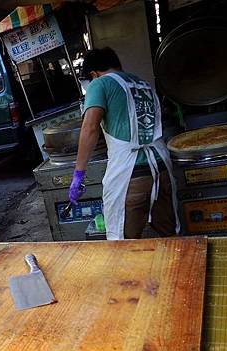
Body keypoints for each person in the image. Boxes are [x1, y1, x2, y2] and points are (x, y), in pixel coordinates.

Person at [68, 47, 179, 240]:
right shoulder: (143, 84)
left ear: (94, 74)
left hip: (130, 177)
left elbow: (90, 127)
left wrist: (79, 174)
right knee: (169, 240)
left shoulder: (100, 84)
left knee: (123, 246)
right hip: (162, 170)